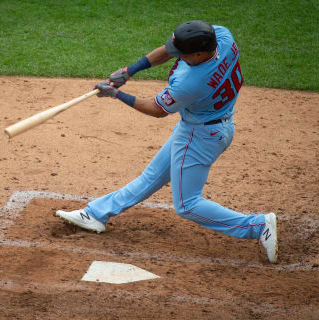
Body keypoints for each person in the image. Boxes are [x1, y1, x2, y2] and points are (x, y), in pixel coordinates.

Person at [56, 20, 278, 263]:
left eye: (183, 54)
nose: (177, 57)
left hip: (200, 136)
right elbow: (169, 50)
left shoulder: (190, 83)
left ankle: (257, 226)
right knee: (151, 177)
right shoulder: (222, 37)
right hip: (212, 124)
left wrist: (117, 94)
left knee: (187, 204)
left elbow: (157, 109)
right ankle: (96, 213)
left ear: (200, 53)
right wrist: (130, 70)